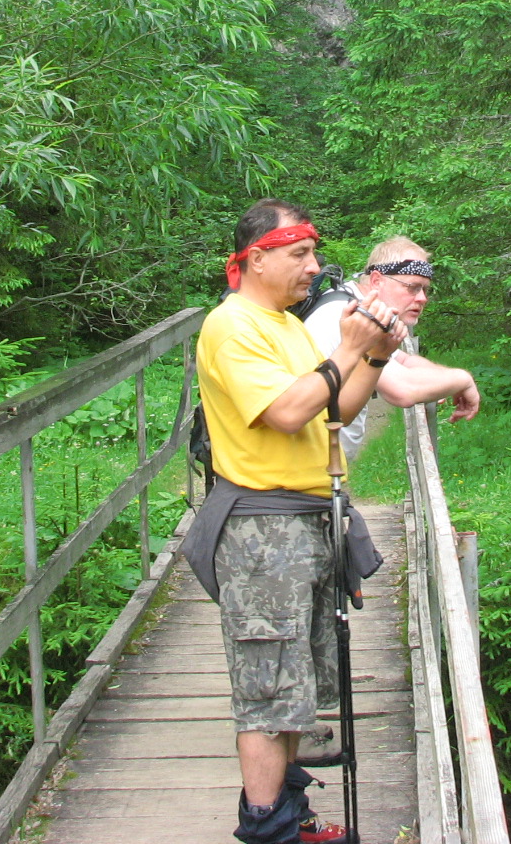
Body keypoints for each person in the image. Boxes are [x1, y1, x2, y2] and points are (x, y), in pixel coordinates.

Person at [183, 199, 406, 844]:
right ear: (257, 258)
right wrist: (348, 346)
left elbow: (335, 409)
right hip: (261, 527)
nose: (315, 266)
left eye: (313, 253)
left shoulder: (287, 325)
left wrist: (375, 355)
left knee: (293, 687)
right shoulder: (232, 326)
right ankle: (268, 829)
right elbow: (285, 412)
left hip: (305, 520)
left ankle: (290, 816)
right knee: (266, 689)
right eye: (300, 253)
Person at [302, 236, 480, 459]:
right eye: (412, 288)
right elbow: (403, 390)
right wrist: (463, 379)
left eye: (425, 289)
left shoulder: (352, 303)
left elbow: (402, 361)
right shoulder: (350, 315)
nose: (422, 298)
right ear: (377, 281)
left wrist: (440, 381)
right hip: (309, 465)